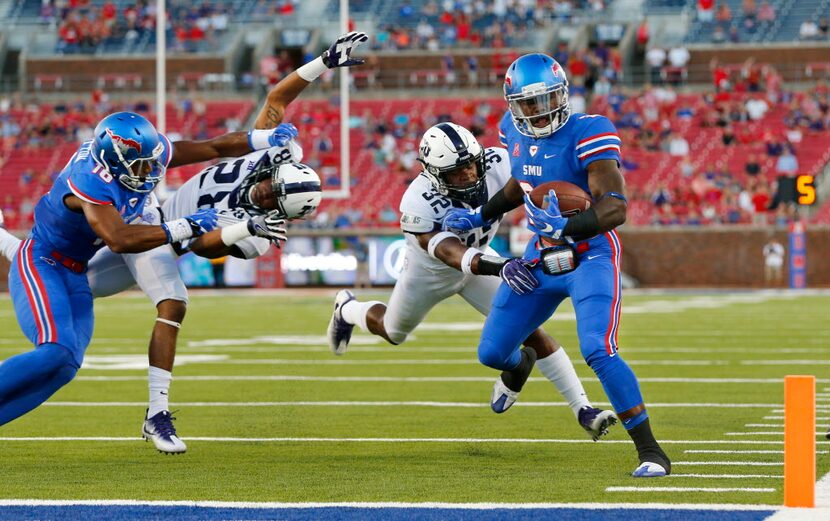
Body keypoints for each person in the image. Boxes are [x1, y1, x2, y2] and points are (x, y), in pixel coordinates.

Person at [0, 31, 368, 453]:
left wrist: (241, 228)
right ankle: (157, 415)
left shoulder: (261, 228)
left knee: (67, 360)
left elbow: (207, 246)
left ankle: (8, 244)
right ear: (272, 173)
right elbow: (267, 107)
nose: (268, 199)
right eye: (271, 190)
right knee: (118, 321)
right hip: (135, 234)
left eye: (279, 205)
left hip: (146, 238)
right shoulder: (96, 177)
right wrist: (320, 64)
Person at [441, 53, 670, 477]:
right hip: (540, 256)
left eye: (544, 99)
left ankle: (650, 450)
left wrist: (570, 222)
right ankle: (520, 367)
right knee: (492, 352)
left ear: (562, 95)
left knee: (598, 349)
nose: (536, 111)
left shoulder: (590, 131)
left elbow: (616, 208)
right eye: (526, 103)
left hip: (591, 254)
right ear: (512, 104)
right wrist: (481, 215)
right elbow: (520, 184)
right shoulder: (510, 130)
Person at [0, 111, 294, 440]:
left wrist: (263, 139)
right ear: (114, 162)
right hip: (43, 262)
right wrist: (187, 225)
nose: (150, 170)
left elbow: (210, 148)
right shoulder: (89, 179)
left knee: (65, 365)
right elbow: (120, 239)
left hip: (76, 272)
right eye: (140, 164)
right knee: (54, 350)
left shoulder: (139, 151)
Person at [327, 122, 617, 440]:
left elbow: (537, 181)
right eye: (456, 171)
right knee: (393, 331)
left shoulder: (498, 162)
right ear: (435, 174)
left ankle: (582, 408)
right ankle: (348, 309)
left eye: (470, 164)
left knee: (530, 329)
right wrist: (501, 267)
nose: (467, 174)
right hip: (431, 272)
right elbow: (452, 254)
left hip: (482, 256)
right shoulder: (417, 201)